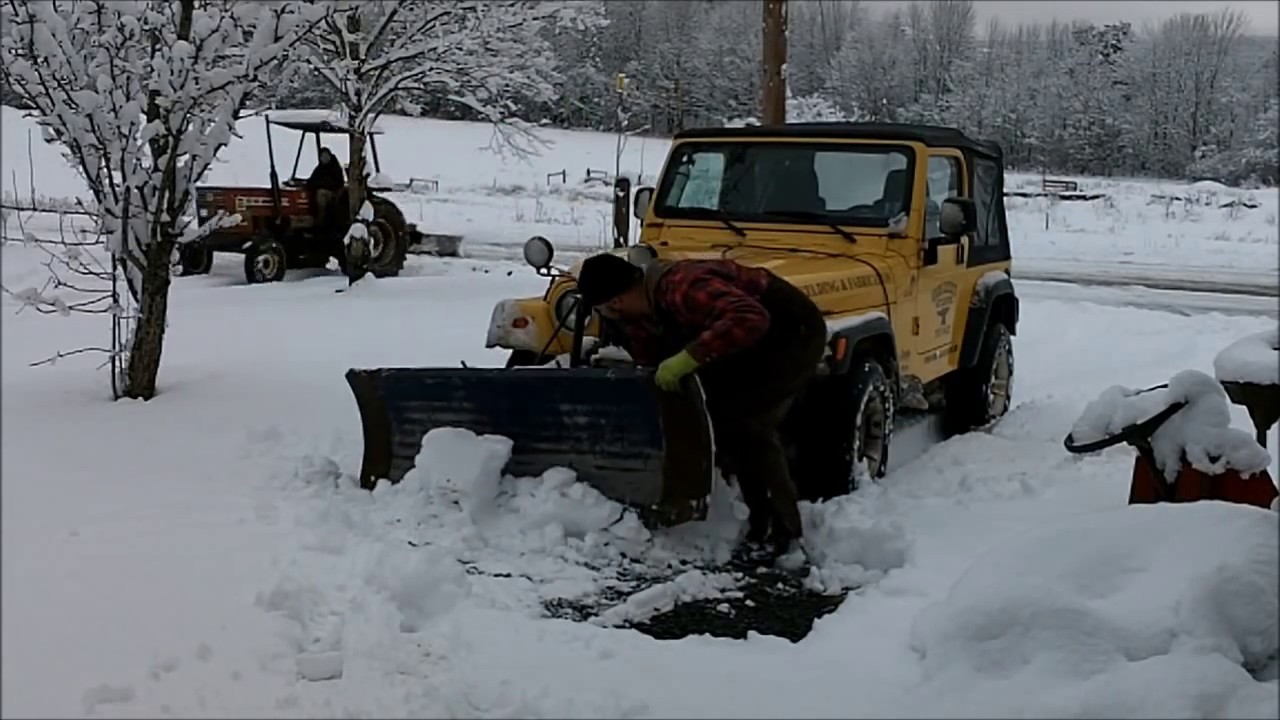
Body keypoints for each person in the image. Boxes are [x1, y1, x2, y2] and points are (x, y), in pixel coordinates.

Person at [576, 253, 828, 560]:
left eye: (604, 309)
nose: (607, 316)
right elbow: (650, 357)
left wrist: (687, 358)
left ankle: (783, 530)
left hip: (789, 333)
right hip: (739, 338)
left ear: (615, 303)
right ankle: (743, 506)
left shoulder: (684, 287)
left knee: (748, 423)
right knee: (717, 414)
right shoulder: (638, 315)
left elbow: (750, 317)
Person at [305, 147, 346, 226]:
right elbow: (312, 180)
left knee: (321, 195)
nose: (324, 158)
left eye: (326, 156)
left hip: (334, 193)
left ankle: (321, 223)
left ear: (330, 156)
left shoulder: (335, 168)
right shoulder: (319, 168)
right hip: (322, 191)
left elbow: (336, 183)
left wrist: (320, 184)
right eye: (322, 156)